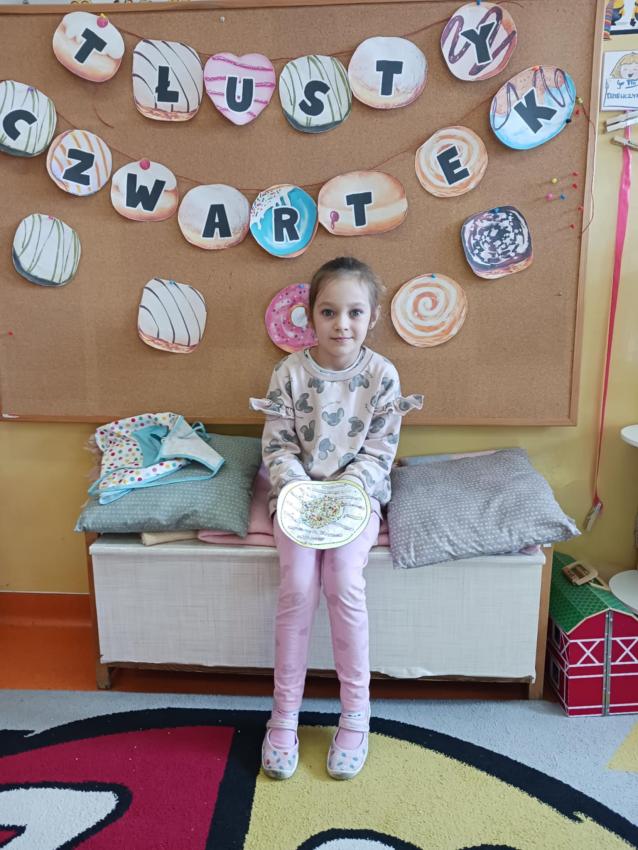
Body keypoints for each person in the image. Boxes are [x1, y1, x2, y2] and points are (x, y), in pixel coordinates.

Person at [250, 256, 423, 781]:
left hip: (356, 498)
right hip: (297, 498)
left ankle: (355, 716)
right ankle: (283, 717)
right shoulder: (289, 372)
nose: (341, 324)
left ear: (373, 316)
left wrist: (347, 492)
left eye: (354, 312)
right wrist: (299, 489)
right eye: (328, 312)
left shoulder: (382, 375)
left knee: (343, 581)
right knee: (298, 585)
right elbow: (278, 446)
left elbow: (379, 452)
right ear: (310, 316)